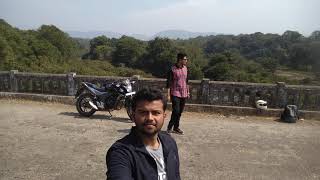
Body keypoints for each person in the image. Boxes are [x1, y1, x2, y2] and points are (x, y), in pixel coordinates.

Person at [106, 88, 181, 180]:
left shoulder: (170, 143)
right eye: (143, 112)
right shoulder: (121, 153)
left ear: (164, 116)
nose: (150, 118)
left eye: (156, 113)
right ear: (133, 116)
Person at [166, 53, 189, 135]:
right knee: (176, 110)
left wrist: (188, 91)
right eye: (185, 59)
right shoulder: (172, 69)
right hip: (175, 92)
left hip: (184, 93)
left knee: (180, 112)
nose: (186, 61)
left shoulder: (186, 68)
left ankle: (176, 128)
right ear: (180, 60)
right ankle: (169, 127)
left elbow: (186, 81)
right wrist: (168, 94)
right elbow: (168, 83)